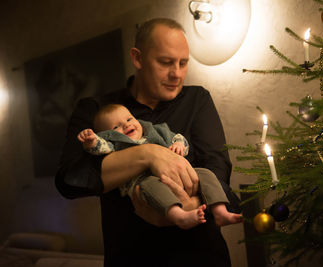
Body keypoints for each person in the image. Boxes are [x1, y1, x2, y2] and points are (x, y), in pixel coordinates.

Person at [55, 17, 241, 267]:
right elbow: (70, 181)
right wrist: (149, 155)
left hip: (201, 256)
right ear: (138, 58)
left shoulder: (197, 100)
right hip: (132, 256)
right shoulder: (96, 110)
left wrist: (185, 208)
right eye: (165, 62)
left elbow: (220, 174)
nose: (176, 74)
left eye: (183, 63)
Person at [77, 104, 242, 229]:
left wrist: (178, 145)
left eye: (129, 119)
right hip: (144, 181)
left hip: (179, 175)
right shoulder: (116, 143)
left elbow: (177, 138)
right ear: (108, 134)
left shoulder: (155, 131)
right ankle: (178, 215)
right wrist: (91, 141)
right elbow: (101, 148)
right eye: (116, 127)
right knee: (150, 186)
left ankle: (219, 210)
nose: (126, 125)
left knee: (205, 173)